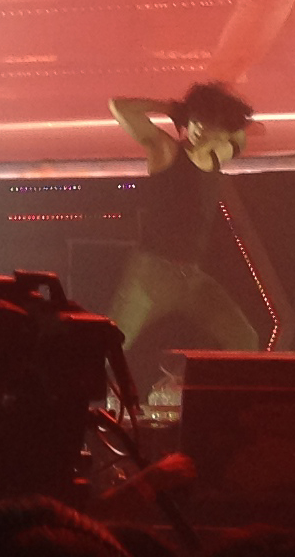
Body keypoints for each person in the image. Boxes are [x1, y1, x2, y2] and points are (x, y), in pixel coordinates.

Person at [103, 81, 263, 375]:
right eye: (197, 119)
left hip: (192, 279)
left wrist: (223, 122)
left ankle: (225, 398)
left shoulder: (217, 155)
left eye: (209, 123)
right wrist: (173, 108)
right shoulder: (166, 149)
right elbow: (119, 106)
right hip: (151, 275)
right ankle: (95, 401)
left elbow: (240, 135)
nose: (200, 127)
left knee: (245, 338)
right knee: (109, 347)